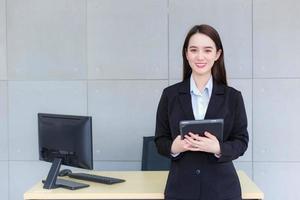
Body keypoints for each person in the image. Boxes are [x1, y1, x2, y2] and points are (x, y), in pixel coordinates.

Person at [154, 24, 249, 200]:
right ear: (186, 54)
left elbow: (241, 141)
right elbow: (160, 140)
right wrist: (174, 147)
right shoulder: (170, 95)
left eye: (207, 50)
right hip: (181, 189)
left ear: (217, 54)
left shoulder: (233, 97)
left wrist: (218, 148)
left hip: (222, 190)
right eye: (193, 50)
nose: (200, 56)